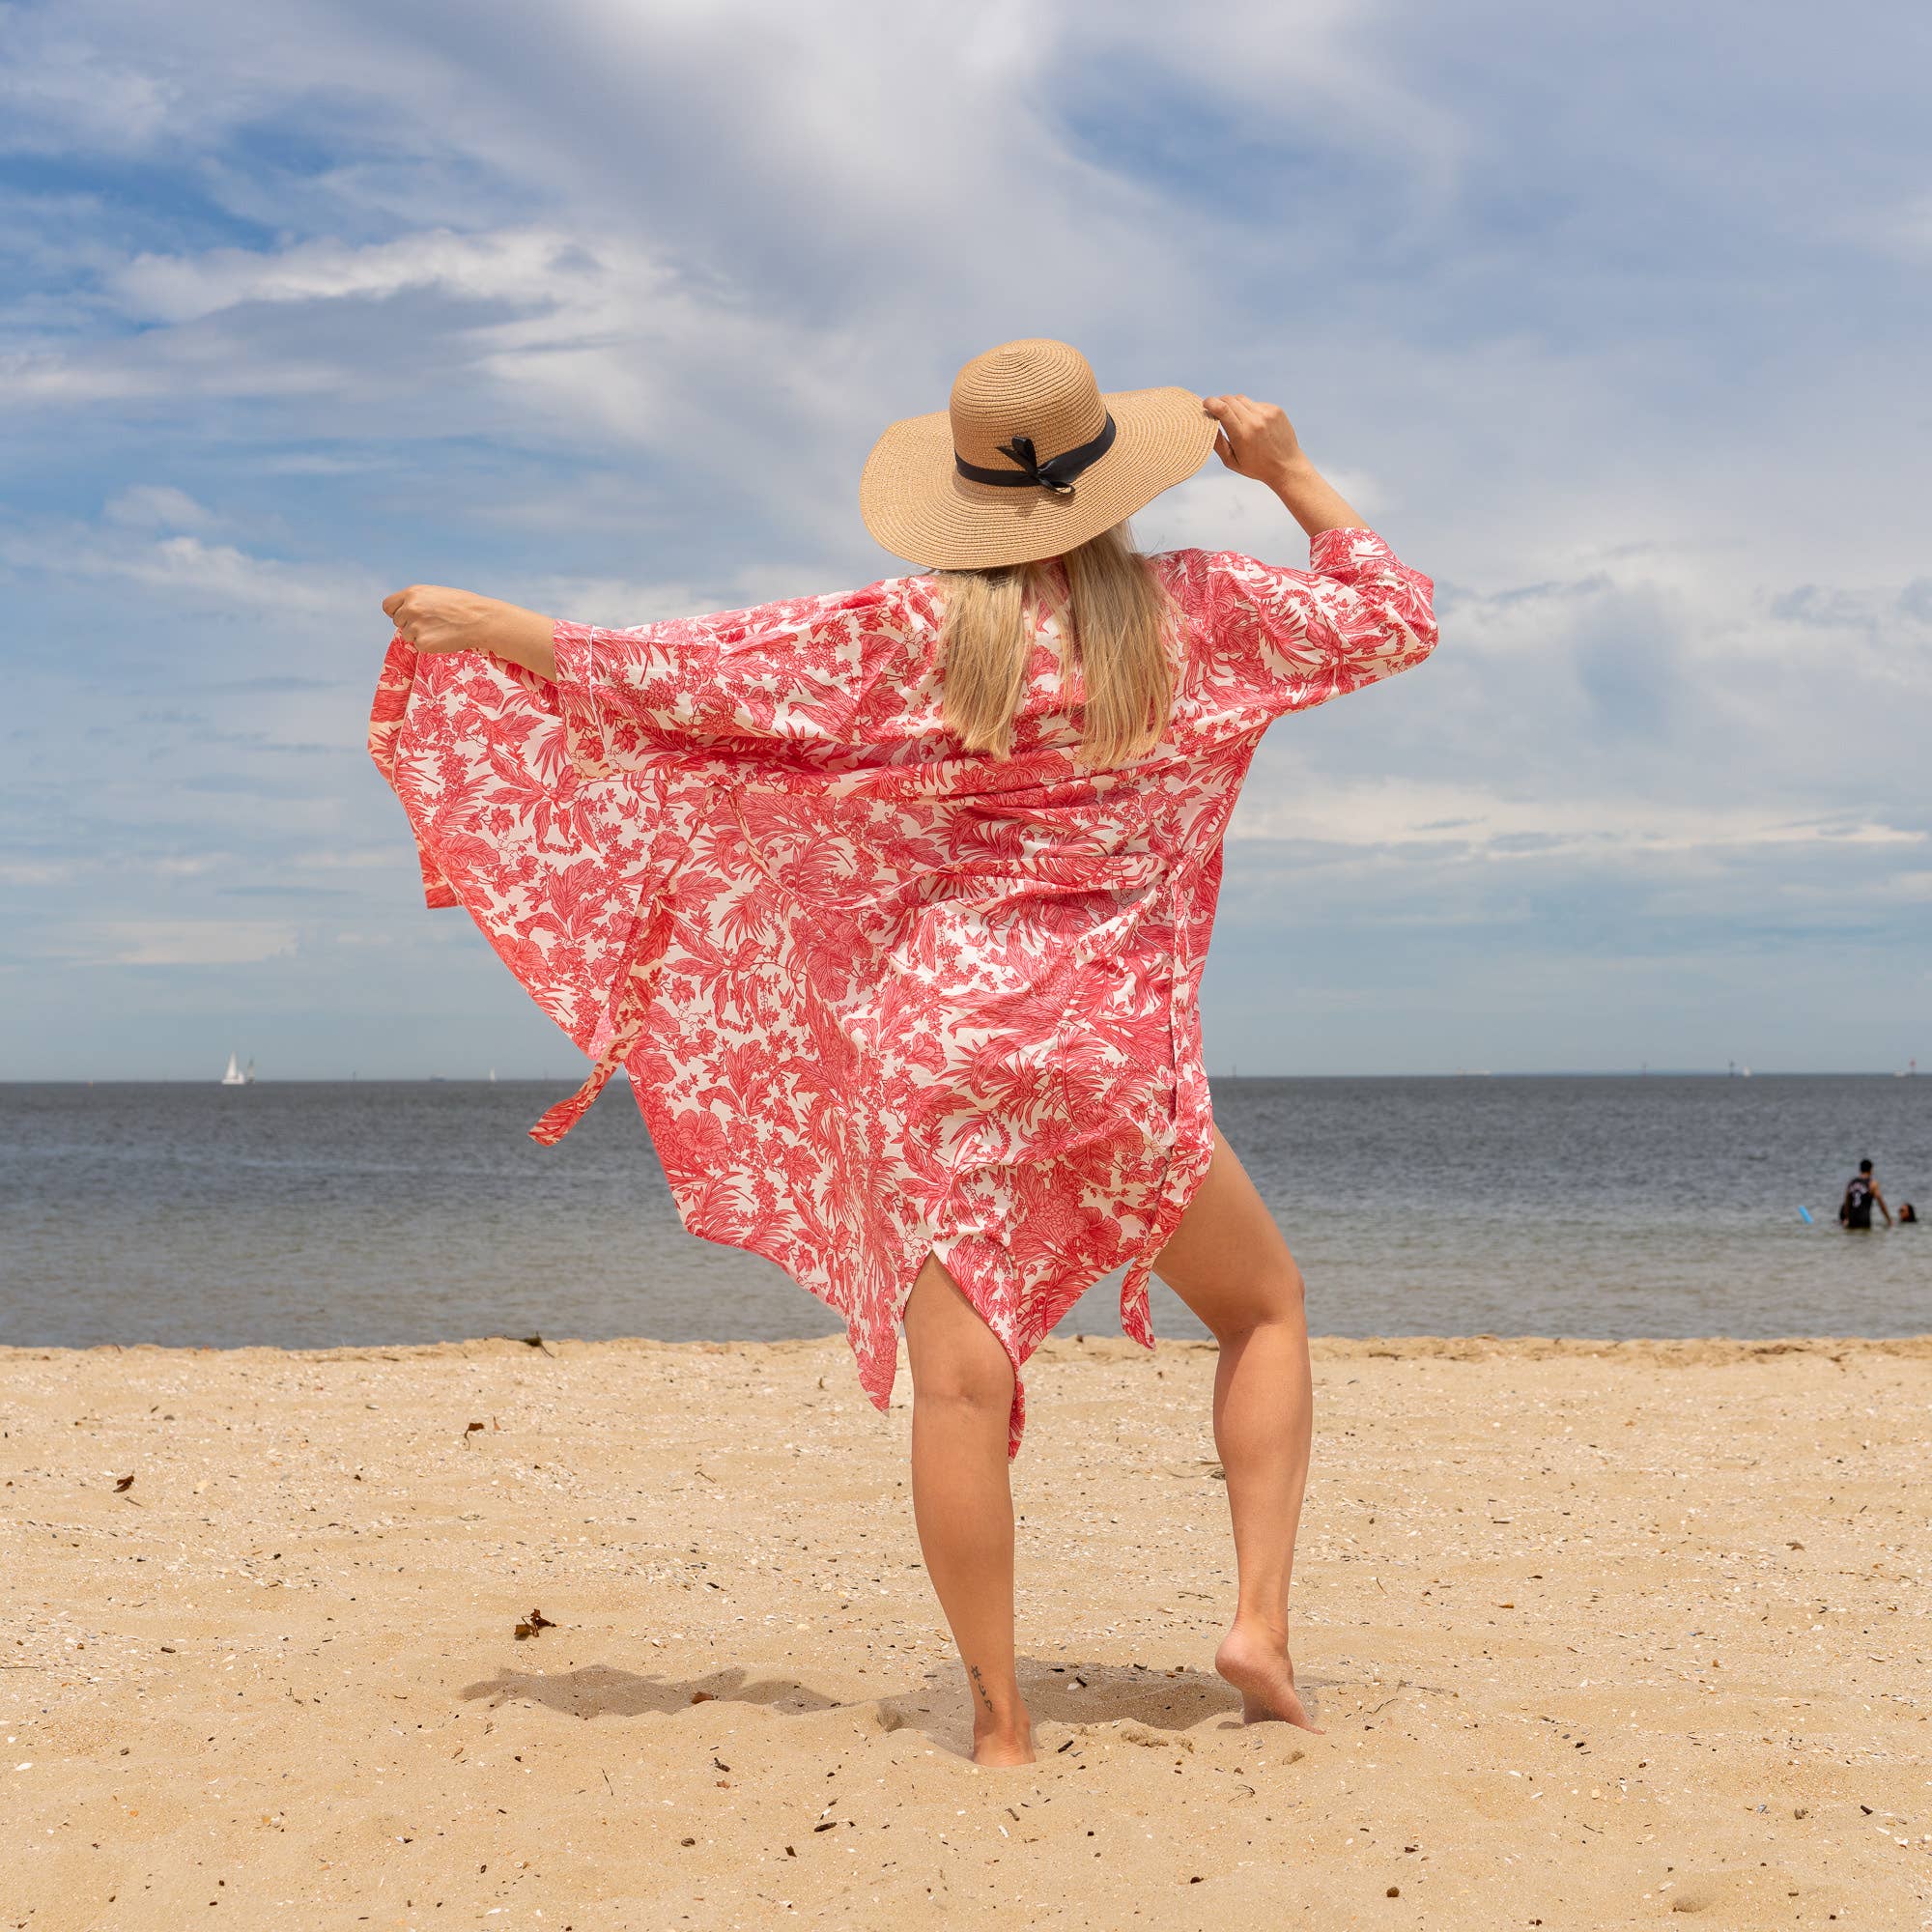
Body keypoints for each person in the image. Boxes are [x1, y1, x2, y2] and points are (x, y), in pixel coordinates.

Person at [373, 338, 1438, 1767]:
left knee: (958, 1385)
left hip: (934, 1044)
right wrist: (1293, 472)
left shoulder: (911, 634)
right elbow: (1392, 617)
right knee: (1262, 1310)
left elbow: (685, 678)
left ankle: (999, 1729)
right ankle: (1258, 1622)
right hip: (1111, 1044)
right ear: (1112, 477)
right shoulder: (1203, 612)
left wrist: (499, 626)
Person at [1839, 1158, 1892, 1230]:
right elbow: (1881, 1203)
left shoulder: (1851, 1183)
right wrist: (1889, 1219)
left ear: (1860, 1169)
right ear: (1871, 1170)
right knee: (1866, 1240)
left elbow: (1847, 1203)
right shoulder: (1872, 1184)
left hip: (1852, 1219)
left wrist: (1847, 1218)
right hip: (1864, 1219)